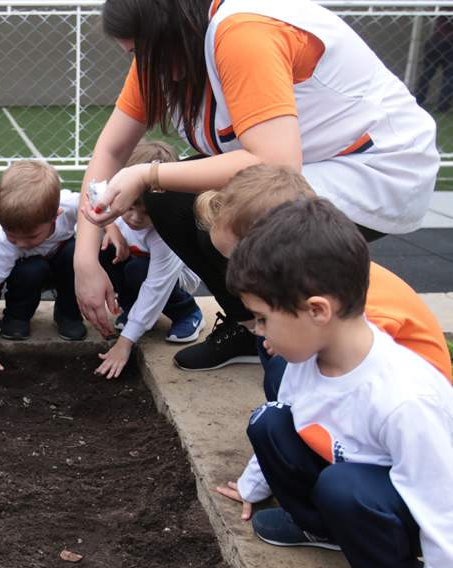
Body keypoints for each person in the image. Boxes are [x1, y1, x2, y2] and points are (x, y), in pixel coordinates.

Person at [73, 0, 439, 373]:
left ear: (167, 27)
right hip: (308, 161)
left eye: (138, 51)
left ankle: (302, 347)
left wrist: (146, 174)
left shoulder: (242, 33)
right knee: (171, 201)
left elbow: (277, 162)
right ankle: (254, 328)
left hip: (371, 167)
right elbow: (112, 148)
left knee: (229, 223)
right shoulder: (168, 46)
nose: (139, 63)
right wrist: (84, 260)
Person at [220, 198, 453, 568]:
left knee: (342, 486)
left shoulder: (404, 398)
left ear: (316, 310)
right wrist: (251, 486)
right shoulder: (308, 359)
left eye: (262, 318)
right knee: (269, 421)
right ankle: (321, 529)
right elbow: (289, 416)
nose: (258, 332)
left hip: (402, 508)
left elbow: (443, 511)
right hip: (351, 481)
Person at [197, 164, 452, 393]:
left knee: (280, 369)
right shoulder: (320, 275)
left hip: (401, 401)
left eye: (242, 259)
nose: (237, 270)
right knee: (273, 351)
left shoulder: (366, 312)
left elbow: (379, 379)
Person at [0, 160, 85, 378]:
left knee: (76, 253)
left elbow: (97, 206)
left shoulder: (70, 205)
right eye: (13, 235)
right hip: (28, 272)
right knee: (31, 269)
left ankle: (68, 313)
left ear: (55, 216)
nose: (20, 243)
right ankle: (17, 317)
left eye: (30, 236)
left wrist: (112, 229)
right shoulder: (5, 242)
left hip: (61, 264)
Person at [96, 140, 204, 379]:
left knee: (139, 271)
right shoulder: (117, 205)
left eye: (147, 212)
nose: (134, 218)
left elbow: (157, 285)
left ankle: (187, 312)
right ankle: (132, 306)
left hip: (176, 278)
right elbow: (90, 204)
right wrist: (111, 227)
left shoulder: (166, 233)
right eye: (131, 207)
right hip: (139, 265)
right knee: (106, 251)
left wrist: (124, 344)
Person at [415, 16, 453, 112]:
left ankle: (418, 100)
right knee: (449, 76)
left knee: (427, 74)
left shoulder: (442, 7)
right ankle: (442, 106)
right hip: (449, 44)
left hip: (435, 42)